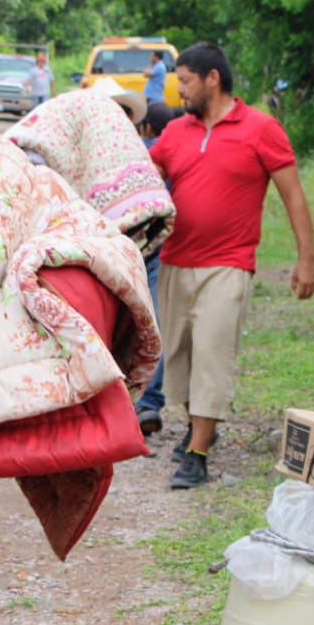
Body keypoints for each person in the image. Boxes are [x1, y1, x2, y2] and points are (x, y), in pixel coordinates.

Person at [148, 42, 314, 489]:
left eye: (185, 81)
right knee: (181, 360)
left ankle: (197, 453)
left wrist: (306, 261)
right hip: (175, 261)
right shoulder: (176, 133)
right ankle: (199, 425)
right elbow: (142, 179)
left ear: (212, 79)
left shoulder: (261, 128)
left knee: (212, 354)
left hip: (228, 264)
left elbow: (293, 196)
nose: (179, 91)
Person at [133, 100, 177, 436]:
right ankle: (148, 402)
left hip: (129, 247)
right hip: (162, 247)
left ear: (146, 127)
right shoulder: (172, 154)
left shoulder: (135, 153)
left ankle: (124, 401)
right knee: (157, 324)